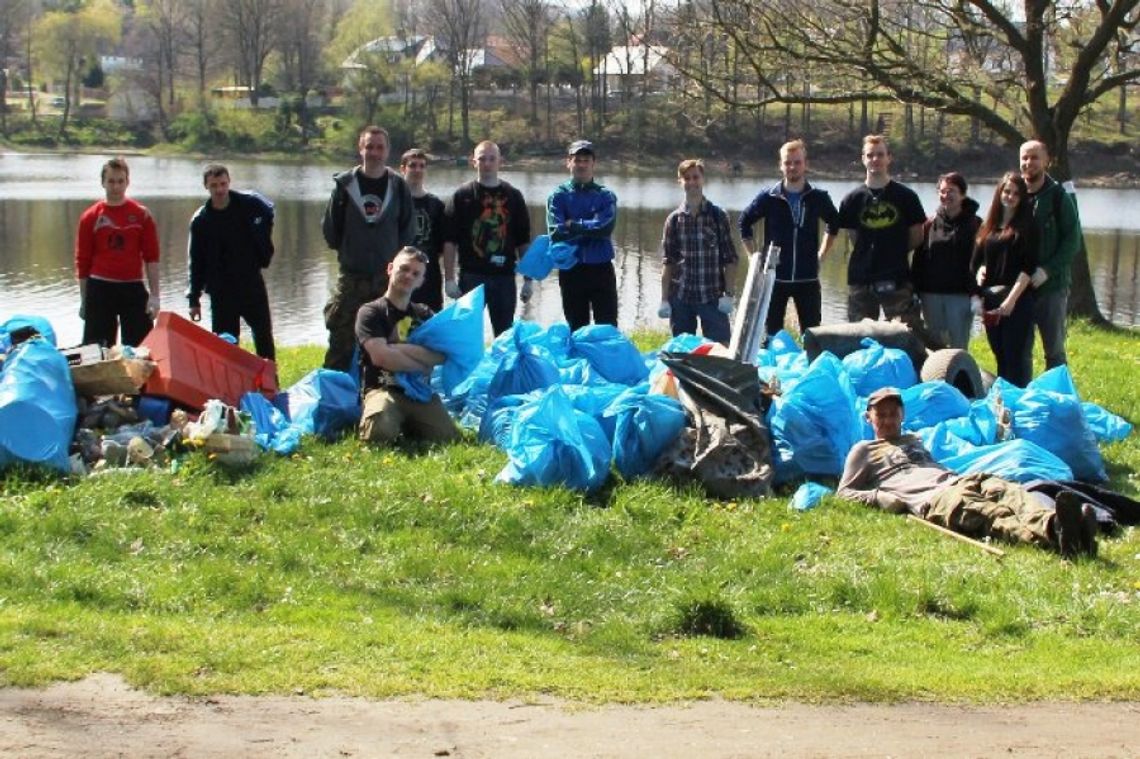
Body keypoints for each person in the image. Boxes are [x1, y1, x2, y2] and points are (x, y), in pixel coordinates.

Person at [838, 387, 1097, 558]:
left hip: (959, 479)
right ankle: (1054, 533)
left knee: (1011, 493)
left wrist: (961, 477)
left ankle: (1062, 523)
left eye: (893, 414)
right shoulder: (864, 450)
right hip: (935, 500)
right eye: (880, 415)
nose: (887, 420)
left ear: (902, 414)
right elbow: (844, 492)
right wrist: (877, 498)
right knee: (990, 514)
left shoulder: (913, 440)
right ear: (868, 418)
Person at [321, 125, 415, 371]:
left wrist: (394, 261)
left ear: (387, 151)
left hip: (387, 278)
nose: (374, 152)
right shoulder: (345, 185)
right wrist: (351, 251)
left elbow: (408, 230)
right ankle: (335, 392)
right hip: (352, 275)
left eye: (379, 147)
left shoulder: (398, 186)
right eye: (369, 147)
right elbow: (331, 230)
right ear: (360, 149)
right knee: (341, 335)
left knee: (388, 336)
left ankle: (385, 391)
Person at [355, 246, 460, 445]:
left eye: (415, 273)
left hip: (419, 393)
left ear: (421, 281)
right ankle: (393, 421)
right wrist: (423, 365)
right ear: (390, 269)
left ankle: (409, 424)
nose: (408, 276)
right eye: (404, 269)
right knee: (379, 434)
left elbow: (442, 355)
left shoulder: (425, 315)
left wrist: (398, 348)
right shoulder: (370, 312)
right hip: (383, 390)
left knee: (448, 438)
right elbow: (381, 357)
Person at [737, 139, 839, 337]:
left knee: (812, 336)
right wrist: (753, 257)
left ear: (805, 164)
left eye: (797, 162)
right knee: (771, 335)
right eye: (787, 162)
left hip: (807, 277)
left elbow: (834, 224)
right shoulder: (768, 197)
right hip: (775, 277)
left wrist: (822, 254)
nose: (792, 167)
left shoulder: (818, 197)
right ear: (780, 165)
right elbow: (744, 222)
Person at [186, 164, 277, 359]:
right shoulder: (201, 221)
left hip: (251, 283)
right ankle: (227, 388)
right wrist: (194, 298)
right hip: (221, 291)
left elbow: (269, 212)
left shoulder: (249, 204)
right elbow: (196, 262)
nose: (219, 190)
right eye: (214, 186)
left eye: (223, 184)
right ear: (206, 187)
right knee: (224, 343)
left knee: (263, 336)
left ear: (229, 183)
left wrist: (264, 249)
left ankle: (271, 385)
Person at [442, 140, 532, 335]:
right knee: (466, 335)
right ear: (473, 161)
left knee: (504, 336)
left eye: (492, 159)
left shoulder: (514, 196)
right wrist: (449, 279)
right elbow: (449, 241)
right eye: (482, 158)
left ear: (501, 161)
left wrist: (528, 279)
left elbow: (523, 241)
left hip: (505, 278)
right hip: (471, 277)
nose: (487, 163)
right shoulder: (462, 196)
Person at [837, 135, 926, 328]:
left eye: (880, 155)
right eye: (870, 155)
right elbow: (854, 237)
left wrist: (894, 249)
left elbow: (917, 236)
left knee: (905, 334)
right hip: (861, 278)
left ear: (889, 158)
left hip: (896, 276)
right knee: (859, 335)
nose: (875, 159)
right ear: (863, 159)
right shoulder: (851, 200)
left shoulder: (906, 197)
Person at [75, 157, 161, 348]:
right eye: (111, 181)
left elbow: (152, 257)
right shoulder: (90, 217)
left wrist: (155, 296)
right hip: (100, 288)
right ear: (103, 182)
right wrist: (85, 300)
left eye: (120, 181)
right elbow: (83, 261)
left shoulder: (142, 215)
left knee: (142, 348)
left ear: (127, 182)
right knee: (97, 349)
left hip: (132, 287)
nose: (116, 187)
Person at [657, 159, 739, 345]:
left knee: (721, 351)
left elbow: (731, 259)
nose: (692, 182)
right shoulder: (674, 220)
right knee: (682, 354)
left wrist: (729, 294)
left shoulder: (718, 216)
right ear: (680, 181)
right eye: (687, 178)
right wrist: (664, 299)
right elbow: (668, 262)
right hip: (681, 297)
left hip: (712, 297)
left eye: (696, 177)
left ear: (703, 179)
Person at [970, 173, 1038, 387]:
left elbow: (1028, 268)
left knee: (1014, 358)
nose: (1010, 196)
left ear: (1022, 198)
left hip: (1017, 302)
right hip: (990, 300)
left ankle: (1018, 406)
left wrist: (1011, 301)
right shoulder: (988, 226)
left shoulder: (1028, 227)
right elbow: (974, 264)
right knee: (1000, 356)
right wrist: (978, 293)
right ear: (999, 192)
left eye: (1016, 193)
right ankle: (1004, 407)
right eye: (1007, 191)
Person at [1020, 139, 1082, 370]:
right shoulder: (1014, 195)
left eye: (1035, 157)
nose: (1029, 162)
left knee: (1054, 352)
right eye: (1025, 158)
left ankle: (1057, 400)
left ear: (1047, 161)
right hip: (1020, 288)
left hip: (1051, 288)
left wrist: (1048, 270)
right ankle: (1023, 398)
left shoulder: (1058, 197)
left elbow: (1073, 241)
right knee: (1020, 349)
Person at [546, 139, 619, 331]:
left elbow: (605, 228)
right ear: (568, 163)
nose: (581, 164)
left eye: (586, 160)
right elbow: (556, 232)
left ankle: (605, 361)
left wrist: (574, 224)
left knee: (607, 328)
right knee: (576, 328)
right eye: (577, 160)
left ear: (593, 163)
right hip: (572, 270)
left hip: (601, 268)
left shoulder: (605, 196)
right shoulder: (558, 196)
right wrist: (591, 226)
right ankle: (579, 361)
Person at [911, 172, 981, 350]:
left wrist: (976, 293)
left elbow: (980, 261)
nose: (946, 195)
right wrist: (914, 289)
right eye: (942, 191)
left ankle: (959, 377)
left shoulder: (976, 224)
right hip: (930, 295)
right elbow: (919, 259)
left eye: (951, 191)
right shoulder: (929, 223)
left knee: (958, 346)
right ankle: (937, 377)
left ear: (963, 194)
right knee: (935, 345)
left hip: (961, 296)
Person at [399, 148, 446, 311]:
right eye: (412, 165)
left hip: (428, 277)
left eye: (421, 166)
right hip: (398, 276)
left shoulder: (436, 205)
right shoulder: (393, 202)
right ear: (403, 169)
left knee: (429, 326)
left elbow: (442, 247)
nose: (417, 170)